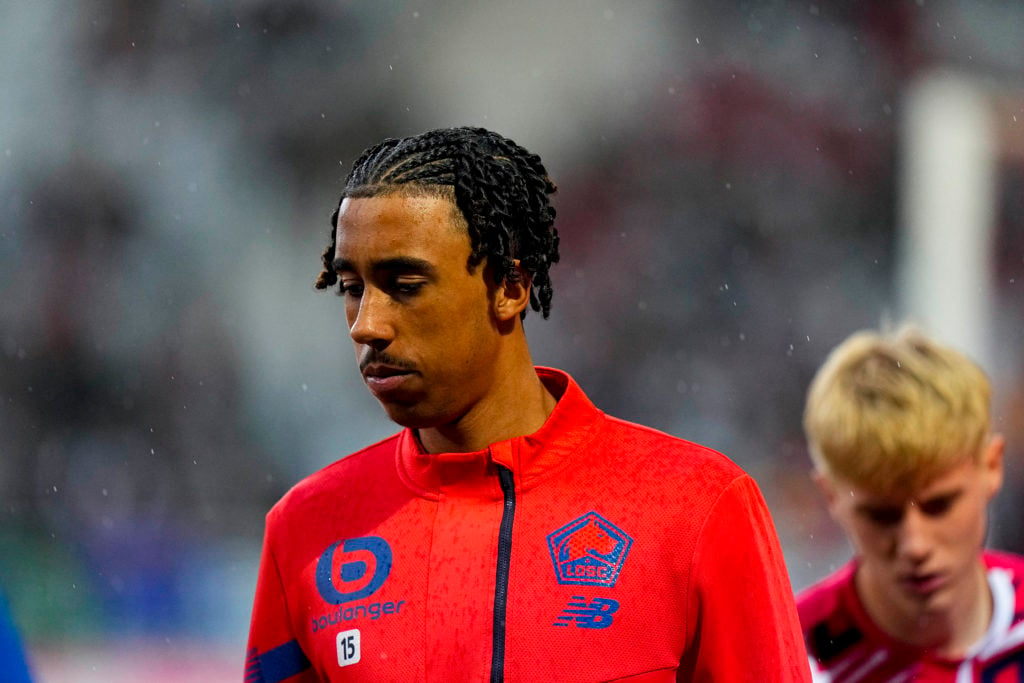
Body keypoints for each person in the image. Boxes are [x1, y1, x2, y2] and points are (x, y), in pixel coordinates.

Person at [245, 126, 809, 682]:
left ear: (510, 287)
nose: (367, 325)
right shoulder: (304, 530)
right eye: (351, 288)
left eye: (406, 283)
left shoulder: (695, 507)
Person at [798, 325, 1024, 681]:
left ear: (992, 467)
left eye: (939, 505)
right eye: (882, 515)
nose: (915, 545)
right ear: (831, 496)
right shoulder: (790, 662)